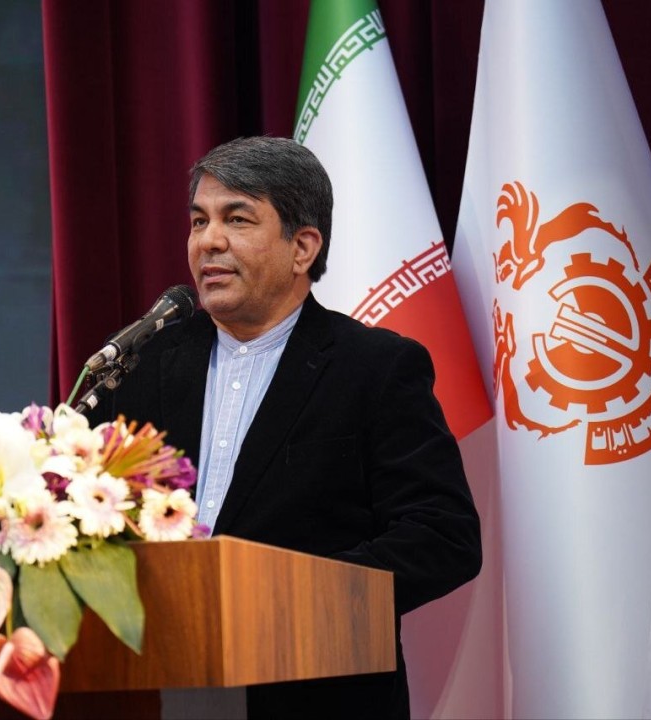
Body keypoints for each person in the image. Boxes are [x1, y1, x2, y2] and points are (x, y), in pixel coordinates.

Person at [88, 136, 481, 719]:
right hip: (154, 684)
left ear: (302, 247)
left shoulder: (374, 368)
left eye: (237, 219)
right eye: (198, 221)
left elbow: (443, 536)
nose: (208, 240)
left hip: (313, 693)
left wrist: (287, 594)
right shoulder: (140, 363)